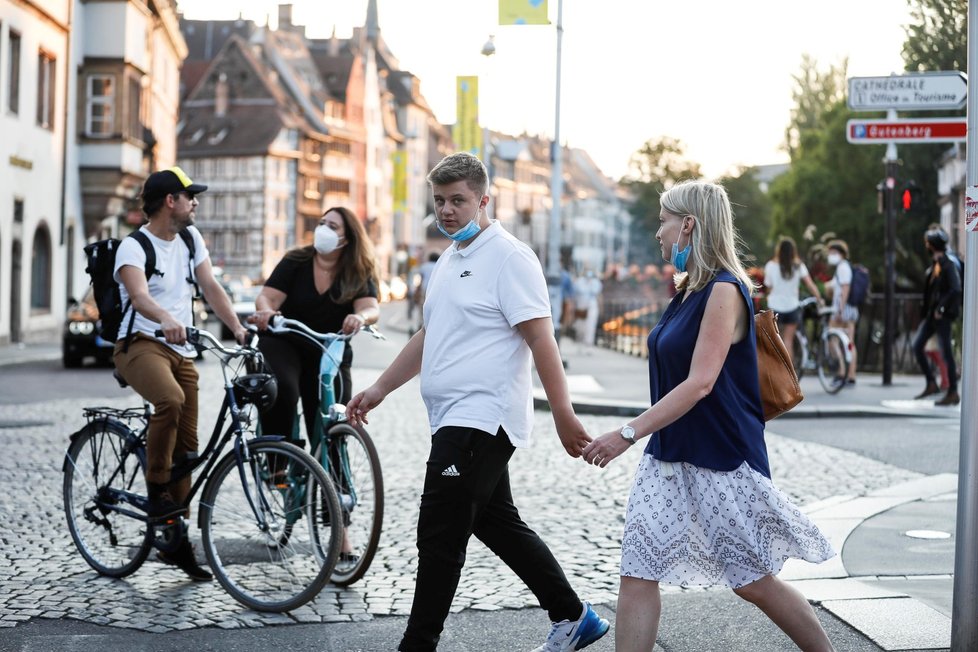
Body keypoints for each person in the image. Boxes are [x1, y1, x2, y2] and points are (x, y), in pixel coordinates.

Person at [346, 152, 609, 652]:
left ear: (484, 200)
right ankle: (575, 617)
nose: (447, 211)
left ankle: (416, 645)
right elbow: (431, 334)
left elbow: (541, 340)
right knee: (495, 521)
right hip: (450, 416)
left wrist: (563, 414)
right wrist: (379, 389)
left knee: (439, 533)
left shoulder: (509, 257)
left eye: (458, 201)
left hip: (481, 417)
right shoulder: (449, 259)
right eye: (440, 201)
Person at [581, 180, 835, 652]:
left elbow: (700, 383)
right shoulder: (686, 293)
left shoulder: (725, 291)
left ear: (689, 225)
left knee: (752, 581)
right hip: (669, 456)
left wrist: (626, 433)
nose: (659, 233)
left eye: (664, 221)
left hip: (719, 456)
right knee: (638, 571)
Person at [113, 166, 248, 581]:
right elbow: (137, 296)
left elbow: (211, 287)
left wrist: (238, 328)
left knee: (189, 449)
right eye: (190, 196)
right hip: (140, 345)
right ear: (170, 201)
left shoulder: (190, 239)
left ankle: (173, 538)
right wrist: (166, 318)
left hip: (182, 350)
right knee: (169, 400)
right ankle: (157, 496)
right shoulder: (133, 247)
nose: (196, 203)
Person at [248, 206, 380, 441]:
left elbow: (370, 308)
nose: (323, 229)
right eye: (322, 223)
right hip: (286, 344)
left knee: (337, 416)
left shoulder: (358, 271)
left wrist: (360, 318)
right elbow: (267, 297)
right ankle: (278, 465)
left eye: (332, 226)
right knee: (283, 391)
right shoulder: (295, 261)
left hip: (330, 351)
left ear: (347, 238)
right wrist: (267, 311)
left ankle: (334, 474)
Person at [911, 227, 961, 406]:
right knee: (917, 346)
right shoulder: (936, 264)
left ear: (931, 245)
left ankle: (953, 391)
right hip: (932, 315)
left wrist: (941, 308)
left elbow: (955, 289)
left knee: (946, 352)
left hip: (942, 316)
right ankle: (931, 383)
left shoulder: (948, 264)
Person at [763, 237, 823, 362]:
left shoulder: (770, 266)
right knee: (788, 341)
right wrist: (819, 298)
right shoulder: (798, 266)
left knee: (773, 341)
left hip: (774, 307)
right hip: (792, 307)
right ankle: (789, 374)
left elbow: (768, 287)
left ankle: (774, 372)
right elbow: (810, 284)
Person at [825, 240, 858, 386]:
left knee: (832, 339)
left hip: (843, 310)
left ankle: (841, 371)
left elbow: (845, 288)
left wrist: (840, 309)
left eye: (833, 253)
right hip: (851, 310)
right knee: (850, 342)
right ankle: (851, 375)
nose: (831, 256)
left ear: (841, 253)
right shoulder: (844, 267)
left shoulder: (843, 268)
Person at [573, 269, 603, 346]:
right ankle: (580, 341)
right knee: (580, 326)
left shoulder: (596, 282)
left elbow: (597, 294)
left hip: (591, 305)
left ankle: (588, 343)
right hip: (581, 306)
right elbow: (575, 294)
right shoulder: (579, 281)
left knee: (591, 325)